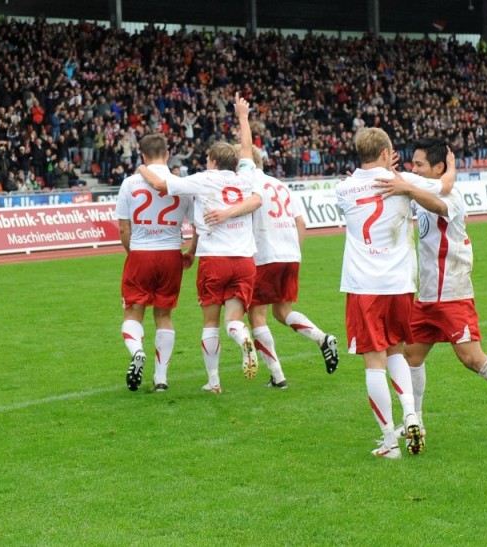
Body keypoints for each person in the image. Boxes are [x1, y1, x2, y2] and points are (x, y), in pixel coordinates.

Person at [375, 137, 487, 448]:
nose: (414, 169)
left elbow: (437, 205)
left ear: (438, 167)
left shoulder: (451, 196)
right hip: (427, 296)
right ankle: (416, 422)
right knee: (411, 356)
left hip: (453, 293)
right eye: (413, 164)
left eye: (420, 164)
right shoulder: (421, 187)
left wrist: (408, 187)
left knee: (471, 358)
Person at [335, 128, 454, 460]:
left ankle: (389, 442)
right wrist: (450, 165)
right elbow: (445, 187)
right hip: (400, 283)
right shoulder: (403, 183)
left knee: (374, 362)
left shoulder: (342, 189)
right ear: (387, 153)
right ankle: (411, 414)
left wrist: (385, 169)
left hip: (364, 285)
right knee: (397, 351)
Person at [138, 92, 261, 394]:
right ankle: (241, 333)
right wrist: (243, 117)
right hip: (245, 259)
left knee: (210, 323)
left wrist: (141, 168)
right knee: (233, 319)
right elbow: (247, 147)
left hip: (214, 259)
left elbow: (159, 184)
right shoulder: (246, 177)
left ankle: (214, 381)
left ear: (213, 162)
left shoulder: (204, 179)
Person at [206, 145, 340, 389]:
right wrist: (295, 252)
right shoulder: (281, 185)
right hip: (290, 255)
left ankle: (278, 376)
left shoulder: (248, 185)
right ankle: (322, 337)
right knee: (282, 312)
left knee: (257, 317)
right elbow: (301, 222)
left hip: (265, 256)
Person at [115, 133, 195, 392]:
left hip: (141, 252)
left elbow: (123, 228)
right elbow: (198, 226)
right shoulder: (180, 184)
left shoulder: (129, 183)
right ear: (167, 154)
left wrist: (133, 253)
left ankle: (137, 352)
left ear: (143, 156)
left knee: (133, 312)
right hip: (171, 253)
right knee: (164, 315)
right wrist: (191, 252)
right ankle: (161, 378)